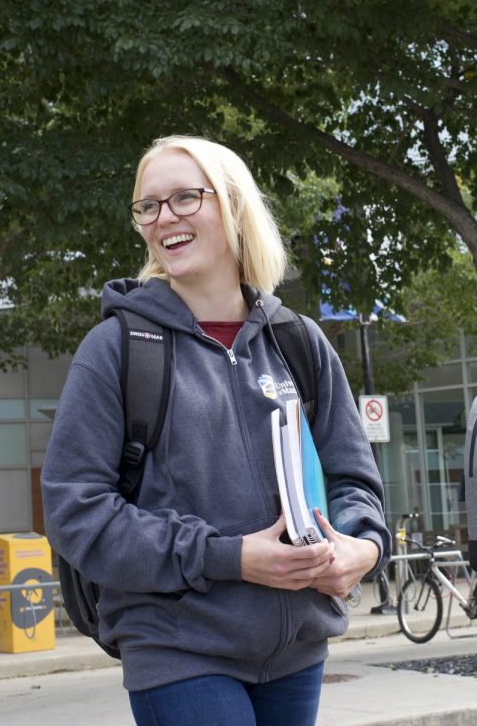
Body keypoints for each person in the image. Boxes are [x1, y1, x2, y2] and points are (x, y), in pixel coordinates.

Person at [41, 135, 390, 726]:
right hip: (178, 649)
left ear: (232, 206)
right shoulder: (117, 348)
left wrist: (363, 547)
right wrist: (228, 557)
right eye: (147, 206)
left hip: (297, 648)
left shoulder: (299, 341)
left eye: (183, 198)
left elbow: (354, 480)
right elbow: (76, 511)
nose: (163, 219)